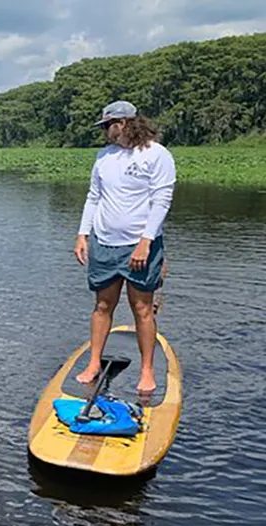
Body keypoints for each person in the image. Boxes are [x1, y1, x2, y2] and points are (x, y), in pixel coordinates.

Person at [72, 100, 175, 394]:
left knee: (142, 308)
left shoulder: (156, 155)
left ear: (124, 123)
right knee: (102, 305)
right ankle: (93, 363)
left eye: (108, 125)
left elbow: (161, 200)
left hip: (139, 245)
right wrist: (83, 234)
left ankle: (146, 371)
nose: (105, 131)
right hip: (104, 243)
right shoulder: (104, 157)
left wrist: (146, 242)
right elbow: (94, 197)